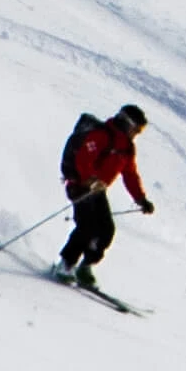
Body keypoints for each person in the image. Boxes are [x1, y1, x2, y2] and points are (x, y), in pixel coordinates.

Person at [56, 101, 152, 281]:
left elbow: (130, 175)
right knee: (87, 226)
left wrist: (141, 199)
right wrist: (89, 179)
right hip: (80, 186)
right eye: (136, 130)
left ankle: (86, 266)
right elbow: (83, 158)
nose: (136, 135)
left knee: (106, 230)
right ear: (126, 124)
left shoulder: (127, 148)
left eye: (139, 132)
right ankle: (66, 264)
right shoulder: (101, 135)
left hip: (97, 190)